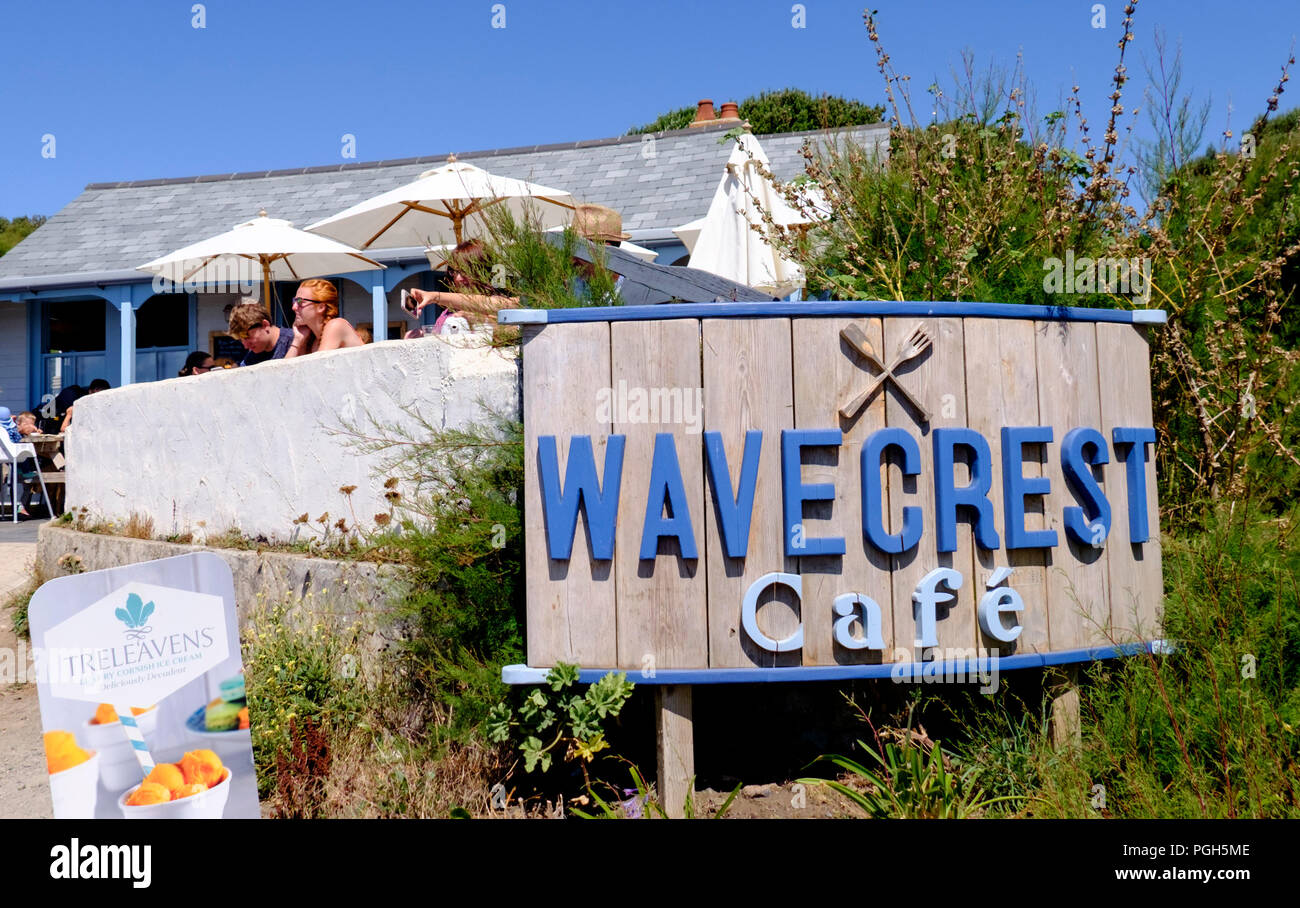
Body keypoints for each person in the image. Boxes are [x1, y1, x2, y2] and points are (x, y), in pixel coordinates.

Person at [405, 239, 519, 331]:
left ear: (484, 271)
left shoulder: (499, 306)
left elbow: (511, 331)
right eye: (454, 271)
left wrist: (482, 321)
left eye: (465, 271)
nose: (458, 278)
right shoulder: (449, 310)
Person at [283, 279, 364, 357]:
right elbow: (286, 370)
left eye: (300, 301)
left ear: (321, 307)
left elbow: (317, 366)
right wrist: (297, 340)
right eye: (294, 301)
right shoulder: (311, 339)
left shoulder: (336, 325)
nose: (294, 307)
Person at [228, 299, 294, 366]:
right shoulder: (251, 359)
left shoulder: (296, 341)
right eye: (240, 340)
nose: (246, 346)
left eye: (246, 336)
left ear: (265, 325)